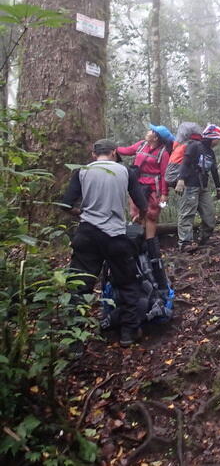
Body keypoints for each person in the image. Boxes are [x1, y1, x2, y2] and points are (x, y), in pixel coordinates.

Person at [61, 139, 148, 347]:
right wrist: (140, 217)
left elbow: (64, 204)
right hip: (116, 236)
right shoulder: (125, 172)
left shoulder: (82, 171)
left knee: (80, 286)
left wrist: (79, 213)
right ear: (115, 153)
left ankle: (75, 343)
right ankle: (128, 333)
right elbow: (141, 203)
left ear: (93, 154)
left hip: (87, 234)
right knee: (127, 283)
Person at [117, 124, 174, 290]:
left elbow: (164, 175)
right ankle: (137, 249)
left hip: (153, 189)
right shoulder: (141, 144)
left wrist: (164, 194)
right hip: (137, 186)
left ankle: (152, 251)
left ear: (156, 137)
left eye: (151, 131)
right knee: (135, 215)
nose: (148, 132)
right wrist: (112, 149)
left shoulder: (163, 153)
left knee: (151, 216)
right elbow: (127, 150)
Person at [174, 123, 220, 251]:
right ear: (213, 137)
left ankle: (204, 239)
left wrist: (219, 188)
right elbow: (185, 162)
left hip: (203, 187)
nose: (219, 141)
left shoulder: (210, 152)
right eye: (218, 138)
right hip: (190, 184)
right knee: (187, 214)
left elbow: (214, 171)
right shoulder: (194, 146)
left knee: (209, 214)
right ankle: (185, 243)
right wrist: (181, 179)